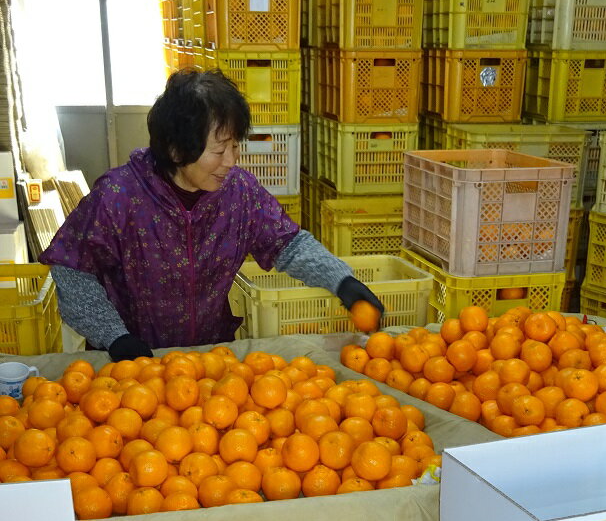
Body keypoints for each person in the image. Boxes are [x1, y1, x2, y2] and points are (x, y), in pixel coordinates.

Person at [40, 69, 384, 359]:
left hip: (209, 363)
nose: (231, 161)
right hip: (132, 366)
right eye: (219, 150)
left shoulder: (239, 193)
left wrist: (341, 280)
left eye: (235, 146)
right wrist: (115, 337)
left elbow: (288, 244)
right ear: (177, 150)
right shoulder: (119, 197)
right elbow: (72, 269)